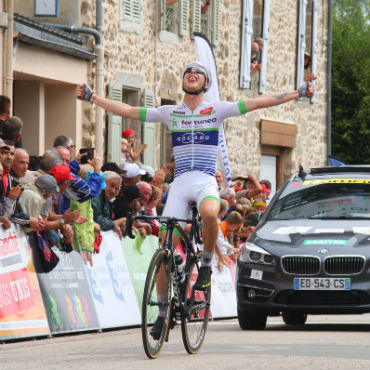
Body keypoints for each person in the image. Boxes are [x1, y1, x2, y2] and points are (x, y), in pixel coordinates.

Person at [76, 61, 315, 336]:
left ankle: (205, 264)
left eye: (198, 73)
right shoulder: (170, 112)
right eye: (187, 71)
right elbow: (129, 110)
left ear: (206, 84)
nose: (191, 73)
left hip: (203, 180)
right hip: (179, 184)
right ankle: (164, 313)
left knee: (211, 214)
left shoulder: (216, 110)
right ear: (183, 81)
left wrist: (298, 93)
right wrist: (93, 97)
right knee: (163, 251)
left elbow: (259, 102)